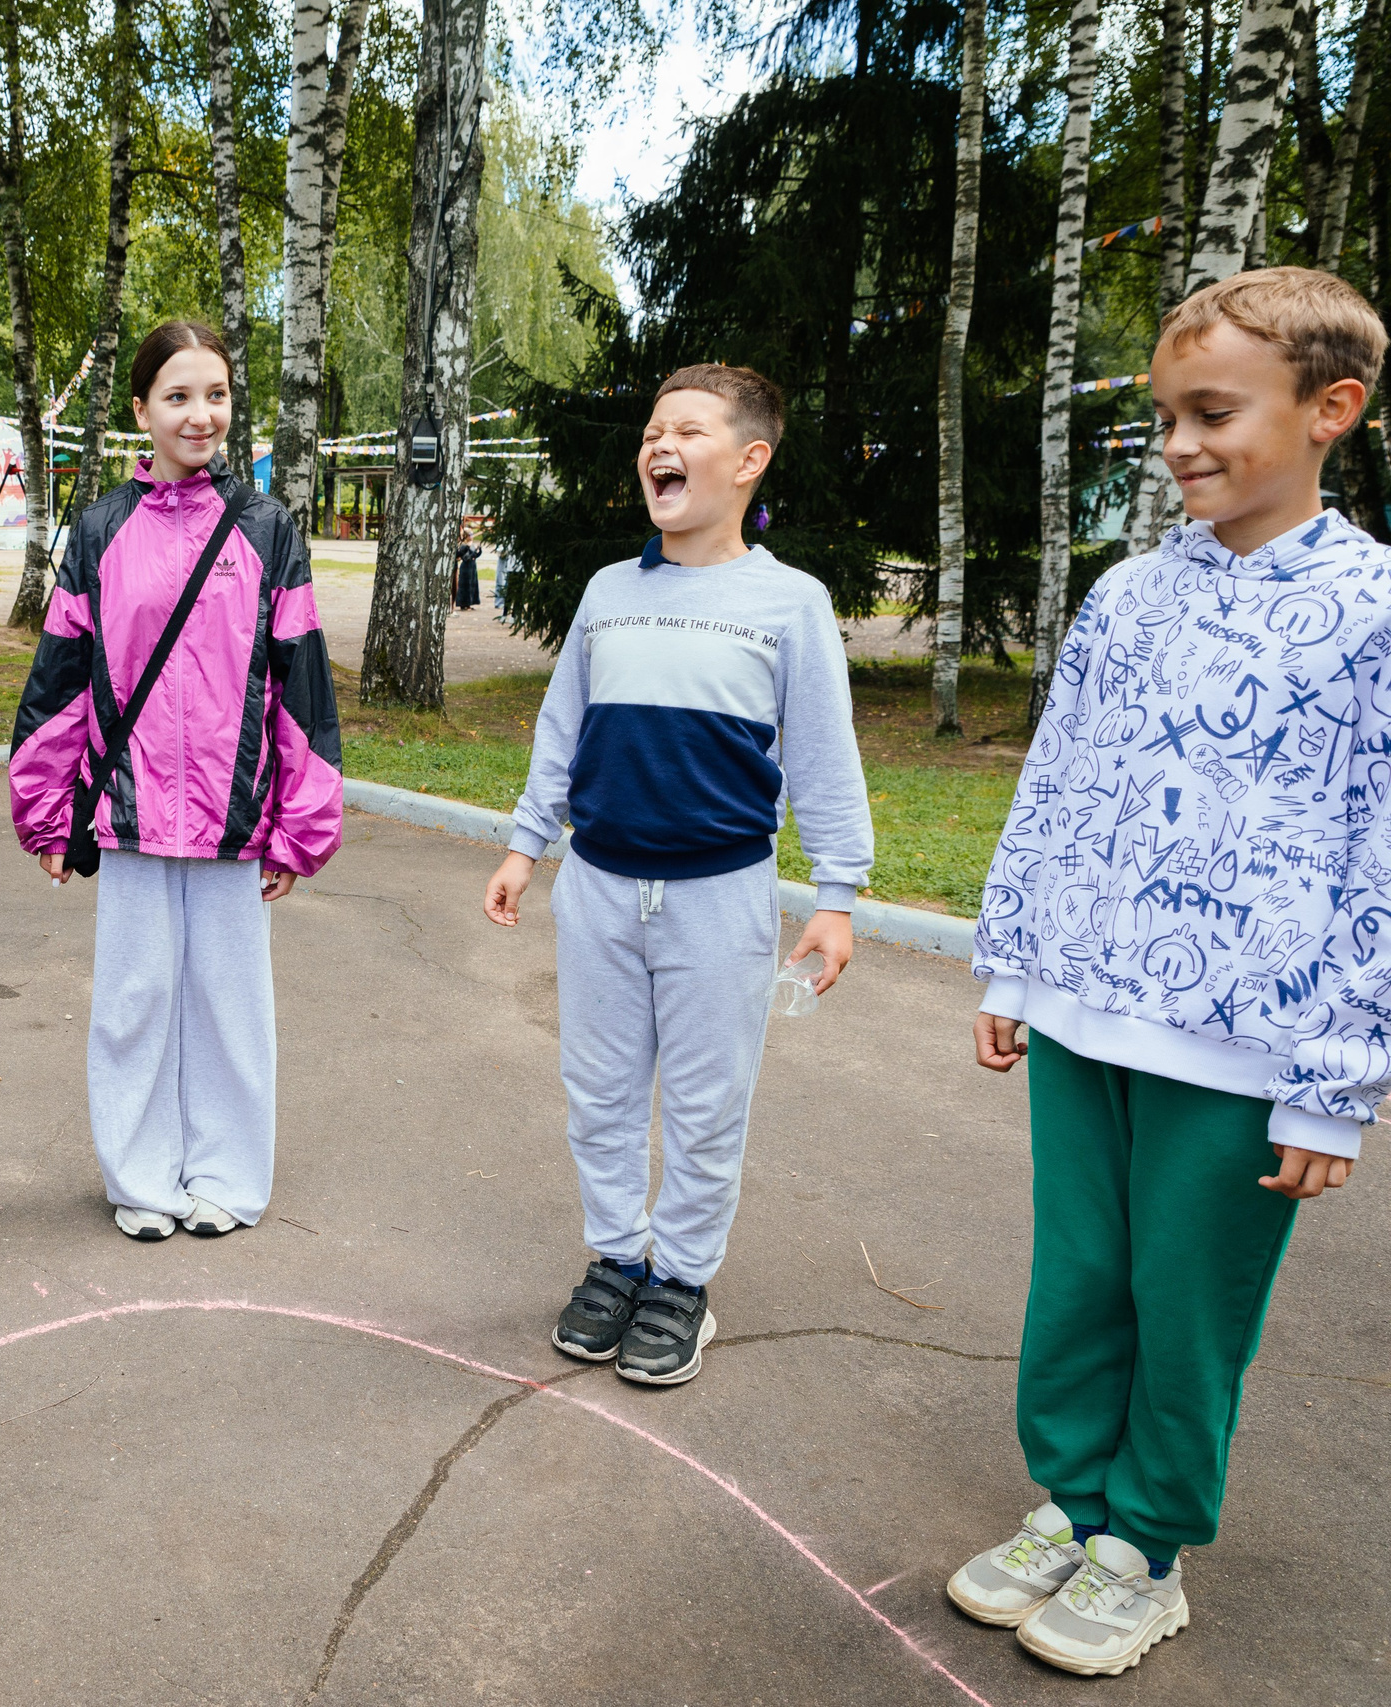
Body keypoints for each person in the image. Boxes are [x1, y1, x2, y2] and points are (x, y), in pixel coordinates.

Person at [948, 267, 1381, 1678]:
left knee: (1187, 1301)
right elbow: (1058, 784)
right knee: (1079, 1275)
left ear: (1333, 409)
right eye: (1165, 419)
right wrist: (1014, 962)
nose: (1182, 444)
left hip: (1250, 1045)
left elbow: (1380, 855)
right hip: (1085, 1008)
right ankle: (1069, 1500)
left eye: (1214, 413)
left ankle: (1145, 1540)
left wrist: (1337, 1085)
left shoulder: (1374, 611)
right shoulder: (1129, 596)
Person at [482, 363, 871, 1386]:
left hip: (719, 900)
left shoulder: (789, 603)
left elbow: (824, 757)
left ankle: (681, 1282)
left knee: (705, 1105)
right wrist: (528, 847)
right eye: (652, 430)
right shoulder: (610, 592)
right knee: (599, 1092)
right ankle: (617, 1258)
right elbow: (561, 727)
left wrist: (836, 897)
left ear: (748, 461)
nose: (660, 444)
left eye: (687, 430)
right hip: (600, 889)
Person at [8, 319, 344, 1243]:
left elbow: (300, 681)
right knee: (132, 1005)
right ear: (141, 410)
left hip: (236, 817)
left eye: (218, 394)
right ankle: (141, 1176)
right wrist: (44, 811)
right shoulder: (102, 527)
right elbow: (61, 679)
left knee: (232, 1008)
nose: (202, 415)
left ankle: (228, 1177)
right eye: (180, 396)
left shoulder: (270, 530)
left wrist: (298, 822)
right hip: (131, 811)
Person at [453, 526, 481, 609]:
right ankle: (463, 603)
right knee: (465, 586)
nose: (472, 536)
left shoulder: (471, 544)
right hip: (466, 567)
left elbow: (474, 556)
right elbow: (465, 558)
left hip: (472, 566)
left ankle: (470, 603)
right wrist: (473, 552)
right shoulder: (464, 546)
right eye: (470, 535)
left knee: (472, 585)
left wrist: (478, 551)